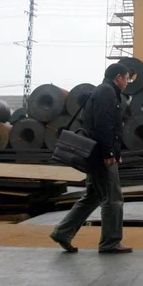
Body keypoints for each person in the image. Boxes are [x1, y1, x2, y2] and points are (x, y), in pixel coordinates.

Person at [49, 63, 132, 254]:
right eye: (126, 79)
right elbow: (104, 124)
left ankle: (63, 232)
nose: (127, 83)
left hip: (95, 153)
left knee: (93, 196)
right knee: (113, 198)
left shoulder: (103, 91)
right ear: (118, 77)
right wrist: (109, 153)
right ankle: (110, 242)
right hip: (100, 154)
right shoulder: (106, 92)